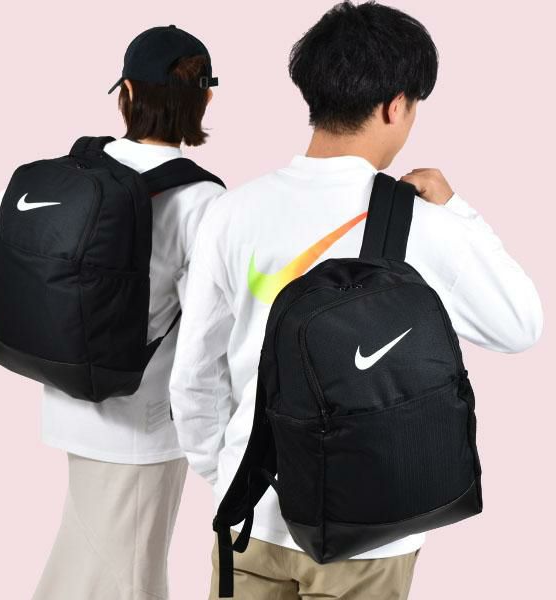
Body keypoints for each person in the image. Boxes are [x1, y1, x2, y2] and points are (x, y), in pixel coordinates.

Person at [168, 2, 543, 599]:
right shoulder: (423, 221)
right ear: (396, 106)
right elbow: (520, 325)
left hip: (250, 519)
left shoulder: (231, 212)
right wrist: (457, 209)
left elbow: (193, 377)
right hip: (370, 533)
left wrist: (229, 472)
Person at [0, 25, 225, 600]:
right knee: (129, 579)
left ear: (126, 92)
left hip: (69, 399)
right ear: (204, 98)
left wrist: (46, 326)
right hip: (143, 422)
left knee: (91, 565)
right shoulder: (202, 199)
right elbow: (212, 329)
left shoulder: (78, 171)